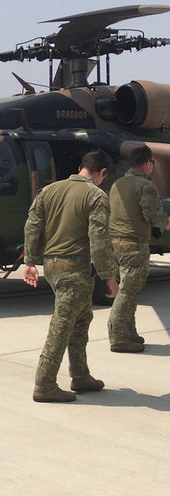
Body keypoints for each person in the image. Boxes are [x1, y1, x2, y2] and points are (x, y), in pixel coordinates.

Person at [23, 149, 119, 403]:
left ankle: (80, 375)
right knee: (63, 324)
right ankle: (45, 383)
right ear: (102, 172)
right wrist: (109, 276)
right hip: (74, 268)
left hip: (52, 267)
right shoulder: (96, 195)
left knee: (80, 320)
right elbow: (99, 239)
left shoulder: (49, 190)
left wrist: (30, 261)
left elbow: (32, 225)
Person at [107, 145, 170, 353]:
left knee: (128, 289)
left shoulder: (118, 184)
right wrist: (166, 222)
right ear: (146, 164)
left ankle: (128, 332)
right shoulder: (145, 186)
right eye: (152, 163)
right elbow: (154, 217)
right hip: (133, 245)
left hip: (116, 244)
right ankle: (118, 337)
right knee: (128, 291)